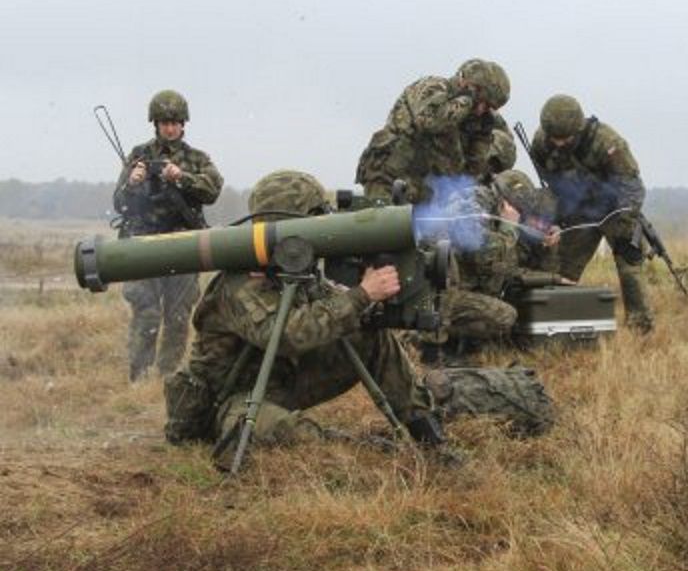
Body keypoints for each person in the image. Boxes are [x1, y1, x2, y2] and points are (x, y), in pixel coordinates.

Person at [162, 170, 555, 461]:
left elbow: (325, 312)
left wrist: (358, 297)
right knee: (297, 440)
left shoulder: (290, 268)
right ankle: (359, 451)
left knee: (370, 337)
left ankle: (426, 435)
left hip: (281, 382)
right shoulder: (239, 284)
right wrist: (361, 294)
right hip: (231, 403)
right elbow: (287, 336)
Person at [113, 89, 223, 380]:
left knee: (177, 317)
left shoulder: (197, 158)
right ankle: (139, 376)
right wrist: (133, 182)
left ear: (183, 124)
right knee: (146, 313)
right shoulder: (138, 156)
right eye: (164, 122)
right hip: (143, 246)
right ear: (156, 124)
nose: (170, 128)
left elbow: (212, 190)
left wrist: (181, 177)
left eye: (175, 122)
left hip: (183, 246)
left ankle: (168, 378)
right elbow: (119, 202)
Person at [530, 94, 654, 333]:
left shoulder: (608, 142)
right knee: (562, 270)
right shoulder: (540, 143)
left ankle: (640, 328)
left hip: (616, 210)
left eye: (564, 139)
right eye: (553, 139)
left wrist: (625, 222)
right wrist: (557, 219)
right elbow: (551, 184)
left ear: (577, 130)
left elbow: (633, 188)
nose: (558, 145)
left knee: (629, 261)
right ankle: (555, 325)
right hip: (579, 212)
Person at [422, 169, 552, 356]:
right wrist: (509, 228)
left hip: (446, 290)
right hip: (437, 296)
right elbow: (486, 258)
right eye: (518, 208)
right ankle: (424, 338)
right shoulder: (473, 207)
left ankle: (450, 340)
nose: (519, 215)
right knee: (504, 316)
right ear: (507, 202)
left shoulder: (483, 203)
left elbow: (505, 266)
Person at [355, 59, 513, 204]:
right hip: (390, 176)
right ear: (467, 85)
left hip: (426, 188)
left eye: (488, 107)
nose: (480, 110)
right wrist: (466, 99)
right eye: (481, 102)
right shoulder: (434, 87)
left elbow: (473, 169)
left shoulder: (481, 119)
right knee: (385, 229)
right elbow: (432, 122)